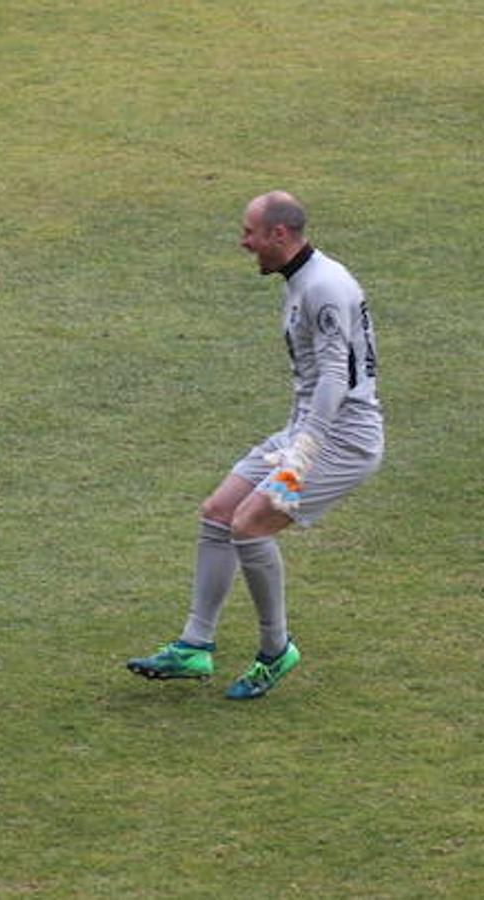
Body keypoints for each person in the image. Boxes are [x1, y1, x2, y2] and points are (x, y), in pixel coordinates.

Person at [126, 191, 383, 699]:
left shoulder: (324, 286)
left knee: (249, 525)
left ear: (279, 235)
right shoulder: (303, 280)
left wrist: (303, 451)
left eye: (250, 232)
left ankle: (274, 650)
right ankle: (195, 646)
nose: (244, 242)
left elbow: (335, 375)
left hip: (341, 440)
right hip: (304, 429)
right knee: (219, 511)